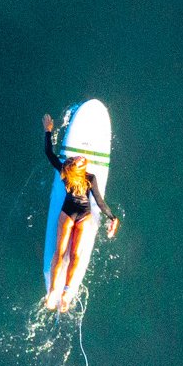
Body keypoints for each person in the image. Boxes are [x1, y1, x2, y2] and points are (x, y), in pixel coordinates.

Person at [42, 113, 120, 312]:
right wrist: (113, 218)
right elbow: (99, 202)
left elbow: (49, 153)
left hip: (68, 213)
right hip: (83, 215)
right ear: (80, 169)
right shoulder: (89, 177)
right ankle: (60, 292)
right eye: (79, 160)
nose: (80, 157)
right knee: (71, 254)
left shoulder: (65, 172)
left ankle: (58, 293)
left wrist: (48, 131)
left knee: (63, 253)